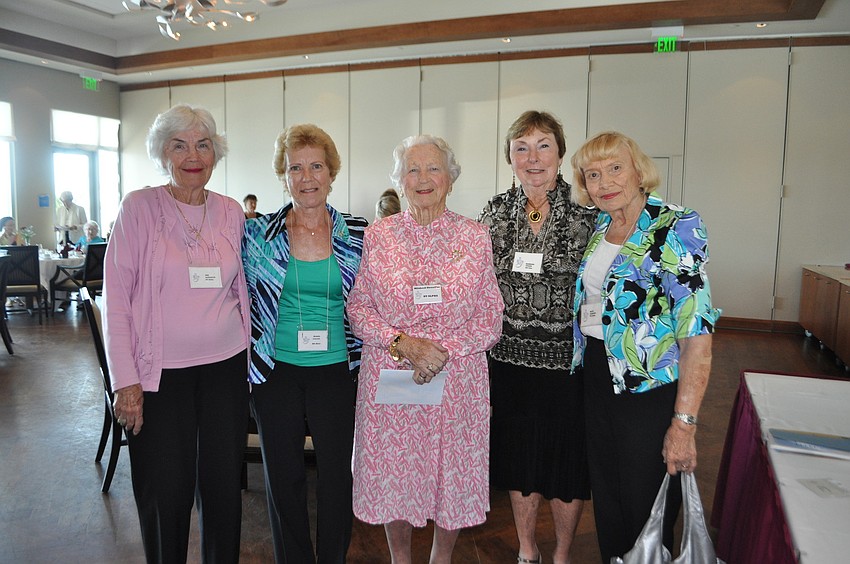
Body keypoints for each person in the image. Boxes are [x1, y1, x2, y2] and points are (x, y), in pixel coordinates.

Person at [103, 104, 251, 564]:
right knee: (165, 491)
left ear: (215, 153)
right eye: (180, 145)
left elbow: (251, 284)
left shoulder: (230, 212)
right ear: (162, 153)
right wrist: (126, 381)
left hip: (226, 369)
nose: (193, 155)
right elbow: (117, 303)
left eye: (203, 144)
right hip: (159, 377)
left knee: (224, 489)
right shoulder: (139, 208)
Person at [348, 134, 504, 564]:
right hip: (394, 377)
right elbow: (358, 308)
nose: (422, 178)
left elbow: (491, 317)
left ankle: (441, 559)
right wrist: (405, 343)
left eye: (433, 168)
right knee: (395, 476)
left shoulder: (475, 237)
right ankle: (401, 558)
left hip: (457, 380)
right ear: (399, 180)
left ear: (450, 178)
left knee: (450, 476)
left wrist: (442, 351)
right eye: (412, 169)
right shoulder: (379, 236)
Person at [569, 131, 721, 562]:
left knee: (646, 503)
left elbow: (697, 335)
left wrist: (685, 423)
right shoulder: (602, 226)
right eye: (593, 174)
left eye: (615, 168)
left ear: (639, 170)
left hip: (649, 386)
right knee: (609, 493)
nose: (604, 182)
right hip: (599, 375)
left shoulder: (675, 225)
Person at [242, 123, 367, 564]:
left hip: (338, 370)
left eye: (317, 166)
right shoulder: (258, 236)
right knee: (284, 478)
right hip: (275, 371)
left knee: (337, 478)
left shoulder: (359, 234)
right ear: (284, 175)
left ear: (332, 173)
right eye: (296, 167)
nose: (307, 176)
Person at [478, 110, 597, 564]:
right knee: (521, 464)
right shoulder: (492, 214)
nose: (533, 157)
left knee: (566, 466)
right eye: (521, 147)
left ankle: (563, 552)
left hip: (568, 366)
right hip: (508, 363)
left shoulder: (588, 217)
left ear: (561, 154)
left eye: (543, 145)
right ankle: (528, 549)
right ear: (509, 157)